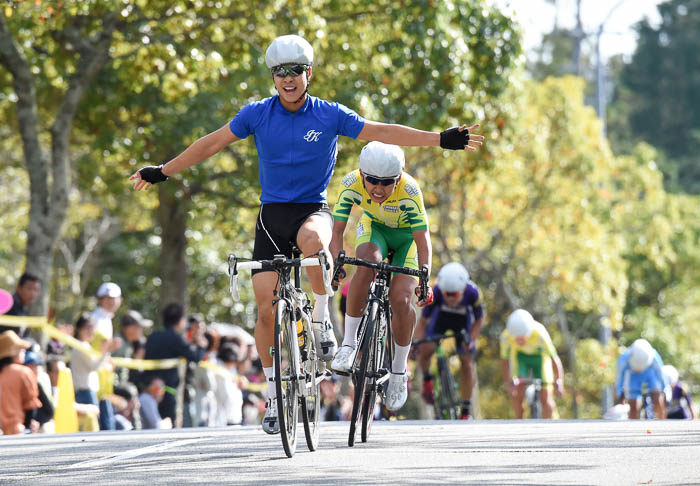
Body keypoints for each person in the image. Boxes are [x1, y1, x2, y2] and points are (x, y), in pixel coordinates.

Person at [129, 34, 483, 434]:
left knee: (315, 244)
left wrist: (439, 139)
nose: (288, 78)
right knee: (265, 309)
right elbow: (212, 143)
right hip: (270, 217)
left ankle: (320, 319)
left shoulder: (328, 114)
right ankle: (275, 396)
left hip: (311, 211)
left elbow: (380, 130)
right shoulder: (257, 114)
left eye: (295, 70)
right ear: (273, 77)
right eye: (279, 72)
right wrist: (163, 171)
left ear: (308, 73)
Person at [329, 141, 433, 412]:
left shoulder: (410, 191)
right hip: (374, 230)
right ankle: (349, 344)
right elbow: (337, 232)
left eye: (386, 182)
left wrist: (424, 278)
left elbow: (422, 240)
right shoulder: (350, 182)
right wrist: (336, 264)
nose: (377, 188)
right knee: (366, 262)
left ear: (397, 178)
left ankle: (399, 372)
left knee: (401, 298)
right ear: (362, 175)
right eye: (371, 180)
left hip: (407, 240)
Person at [413, 262, 483, 419]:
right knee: (425, 349)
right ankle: (427, 379)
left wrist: (471, 339)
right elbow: (423, 320)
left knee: (467, 362)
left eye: (455, 295)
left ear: (463, 290)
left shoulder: (473, 292)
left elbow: (479, 320)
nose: (451, 299)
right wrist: (419, 341)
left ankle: (465, 409)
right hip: (440, 321)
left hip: (463, 324)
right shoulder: (437, 291)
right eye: (447, 294)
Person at [143, 303, 206, 425]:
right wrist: (201, 346)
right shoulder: (176, 338)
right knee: (167, 424)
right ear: (180, 320)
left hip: (149, 388)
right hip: (167, 391)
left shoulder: (153, 336)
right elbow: (194, 357)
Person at [500, 309, 565, 419]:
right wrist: (509, 384)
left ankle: (550, 425)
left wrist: (559, 382)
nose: (519, 341)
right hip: (520, 359)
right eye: (516, 339)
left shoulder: (540, 333)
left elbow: (554, 359)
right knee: (517, 394)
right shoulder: (506, 336)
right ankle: (519, 424)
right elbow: (504, 361)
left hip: (540, 359)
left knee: (546, 396)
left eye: (523, 338)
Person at [69, 313, 115, 430]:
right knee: (92, 427)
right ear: (79, 329)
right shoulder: (81, 346)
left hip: (87, 391)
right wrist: (106, 352)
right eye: (87, 327)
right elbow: (94, 367)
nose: (91, 331)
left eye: (92, 328)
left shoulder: (85, 346)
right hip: (85, 392)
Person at [0, 331, 42, 434]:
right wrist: (28, 427)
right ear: (13, 352)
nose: (24, 352)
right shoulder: (23, 372)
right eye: (21, 350)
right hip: (17, 429)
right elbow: (31, 403)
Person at [615, 338, 668, 419]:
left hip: (650, 374)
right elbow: (619, 378)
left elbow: (661, 375)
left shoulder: (654, 356)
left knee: (657, 397)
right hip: (633, 376)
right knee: (633, 404)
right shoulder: (624, 359)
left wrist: (664, 389)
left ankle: (662, 422)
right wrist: (620, 394)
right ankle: (633, 426)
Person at [113, 310, 152, 388]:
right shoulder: (119, 343)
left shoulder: (129, 343)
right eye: (139, 327)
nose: (141, 331)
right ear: (129, 328)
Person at [0, 273, 42, 337]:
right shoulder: (7, 307)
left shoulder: (23, 310)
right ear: (18, 288)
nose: (33, 294)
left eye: (36, 290)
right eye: (29, 288)